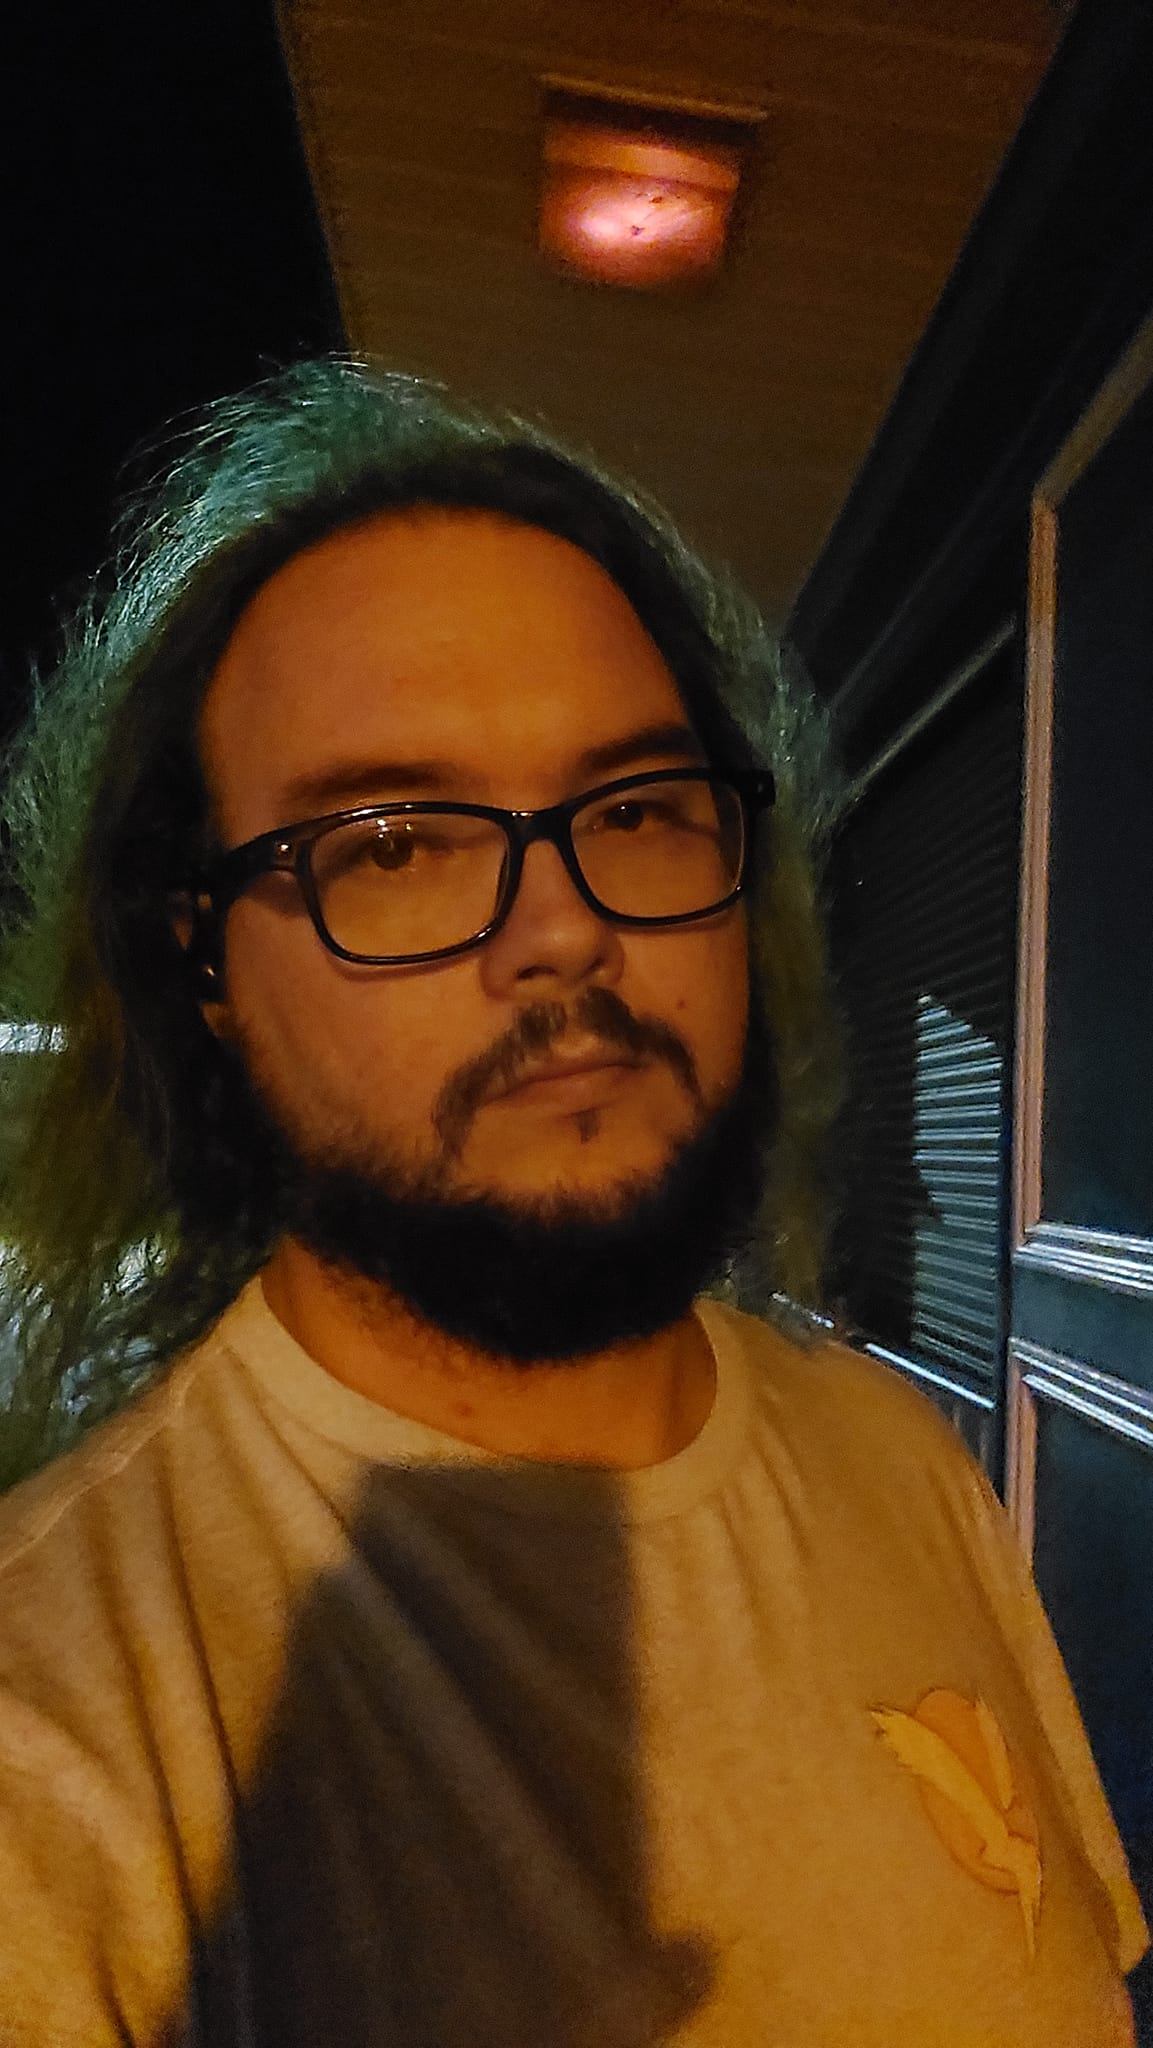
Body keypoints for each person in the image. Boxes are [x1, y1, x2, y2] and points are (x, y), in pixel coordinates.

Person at [0, 360, 1143, 2046]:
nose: (560, 932)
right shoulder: (65, 1737)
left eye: (633, 809)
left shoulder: (897, 1462)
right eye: (393, 842)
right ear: (202, 967)